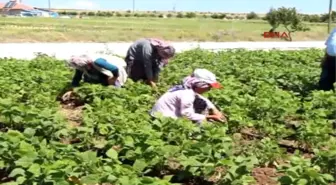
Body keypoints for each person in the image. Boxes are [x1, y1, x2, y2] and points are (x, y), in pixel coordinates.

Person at [150, 74, 226, 125]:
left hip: (158, 114)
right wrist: (210, 117)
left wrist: (214, 109)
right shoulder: (187, 95)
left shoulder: (185, 87)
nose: (209, 89)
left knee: (200, 104)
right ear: (201, 85)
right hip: (162, 120)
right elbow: (187, 115)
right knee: (198, 121)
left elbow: (200, 97)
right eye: (209, 87)